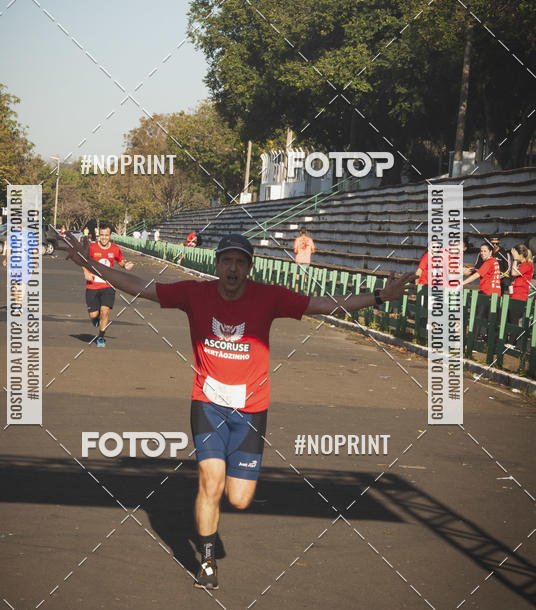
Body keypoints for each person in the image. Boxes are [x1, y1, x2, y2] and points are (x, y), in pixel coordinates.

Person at [64, 231, 415, 589]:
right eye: (227, 261)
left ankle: (216, 508)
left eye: (240, 262)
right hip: (208, 404)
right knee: (210, 482)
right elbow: (142, 286)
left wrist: (379, 297)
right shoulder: (194, 293)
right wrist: (91, 264)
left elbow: (322, 305)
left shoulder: (268, 298)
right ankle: (208, 561)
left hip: (251, 410)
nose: (232, 267)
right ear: (217, 265)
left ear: (249, 267)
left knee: (240, 498)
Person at [82, 223, 134, 348]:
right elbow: (83, 260)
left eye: (106, 235)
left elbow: (121, 261)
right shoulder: (92, 247)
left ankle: (101, 337)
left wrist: (126, 265)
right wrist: (86, 273)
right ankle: (95, 319)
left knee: (105, 311)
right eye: (101, 235)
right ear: (98, 235)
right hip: (92, 286)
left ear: (110, 235)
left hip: (108, 285)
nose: (104, 238)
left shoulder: (115, 249)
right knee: (94, 315)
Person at [463, 242, 501, 336]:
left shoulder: (489, 262)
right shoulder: (494, 261)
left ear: (490, 252)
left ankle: (473, 341)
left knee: (478, 317)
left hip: (487, 293)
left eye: (485, 251)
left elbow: (477, 274)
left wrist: (462, 283)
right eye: (481, 251)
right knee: (488, 319)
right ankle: (485, 341)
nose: (482, 253)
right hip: (495, 293)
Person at [508, 246, 534, 342]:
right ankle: (509, 340)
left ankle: (512, 342)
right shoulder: (520, 264)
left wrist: (514, 259)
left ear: (521, 255)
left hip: (520, 295)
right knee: (510, 318)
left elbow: (514, 273)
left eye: (515, 254)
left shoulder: (527, 265)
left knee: (514, 319)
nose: (514, 256)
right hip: (514, 293)